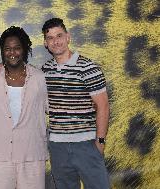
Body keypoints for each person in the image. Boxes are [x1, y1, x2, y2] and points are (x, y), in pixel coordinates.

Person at [41, 18, 110, 189]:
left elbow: (103, 106)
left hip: (86, 144)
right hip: (57, 146)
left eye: (59, 35)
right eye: (50, 38)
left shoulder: (89, 68)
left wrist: (100, 141)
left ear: (68, 37)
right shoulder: (44, 71)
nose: (55, 41)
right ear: (45, 43)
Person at [0, 26, 48, 189]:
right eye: (7, 49)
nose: (12, 53)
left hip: (32, 154)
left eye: (17, 48)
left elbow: (53, 108)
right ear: (2, 51)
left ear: (24, 49)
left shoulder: (39, 78)